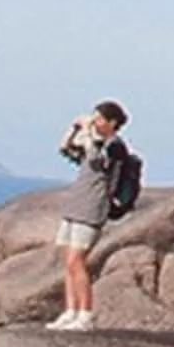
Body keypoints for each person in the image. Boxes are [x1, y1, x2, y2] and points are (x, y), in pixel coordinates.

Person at [47, 100, 131, 331]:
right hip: (76, 206)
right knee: (67, 262)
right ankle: (70, 311)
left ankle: (85, 314)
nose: (95, 122)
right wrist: (75, 129)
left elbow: (97, 160)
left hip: (92, 209)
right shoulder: (92, 141)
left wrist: (88, 132)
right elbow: (65, 149)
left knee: (77, 260)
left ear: (112, 123)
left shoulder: (115, 146)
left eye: (100, 119)